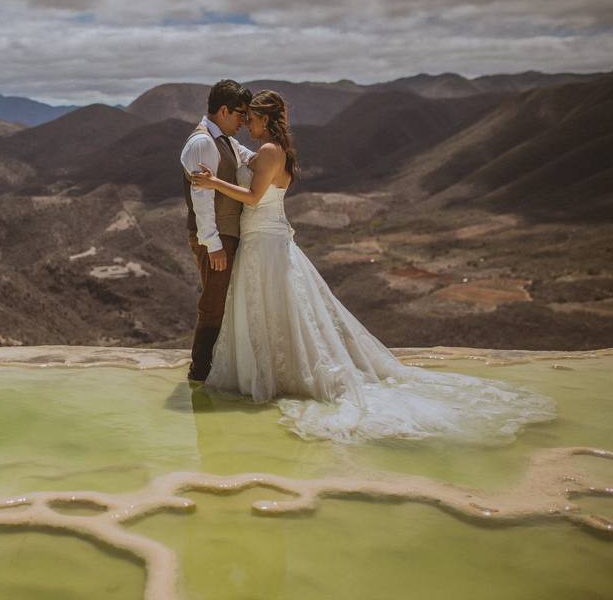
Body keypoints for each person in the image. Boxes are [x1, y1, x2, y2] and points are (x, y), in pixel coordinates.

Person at [188, 90, 555, 443]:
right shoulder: (265, 149)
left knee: (277, 306)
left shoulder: (270, 151)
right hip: (260, 240)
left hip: (265, 241)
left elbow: (253, 198)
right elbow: (244, 161)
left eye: (251, 118)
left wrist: (213, 182)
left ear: (265, 119)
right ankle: (272, 370)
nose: (247, 124)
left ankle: (281, 374)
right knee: (271, 308)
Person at [180, 79, 253, 382]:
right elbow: (202, 197)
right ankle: (199, 371)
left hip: (226, 234)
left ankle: (215, 366)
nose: (244, 122)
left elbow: (249, 158)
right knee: (213, 303)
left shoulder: (224, 140)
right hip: (215, 236)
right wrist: (213, 244)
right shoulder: (202, 143)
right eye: (240, 115)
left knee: (222, 301)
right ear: (224, 110)